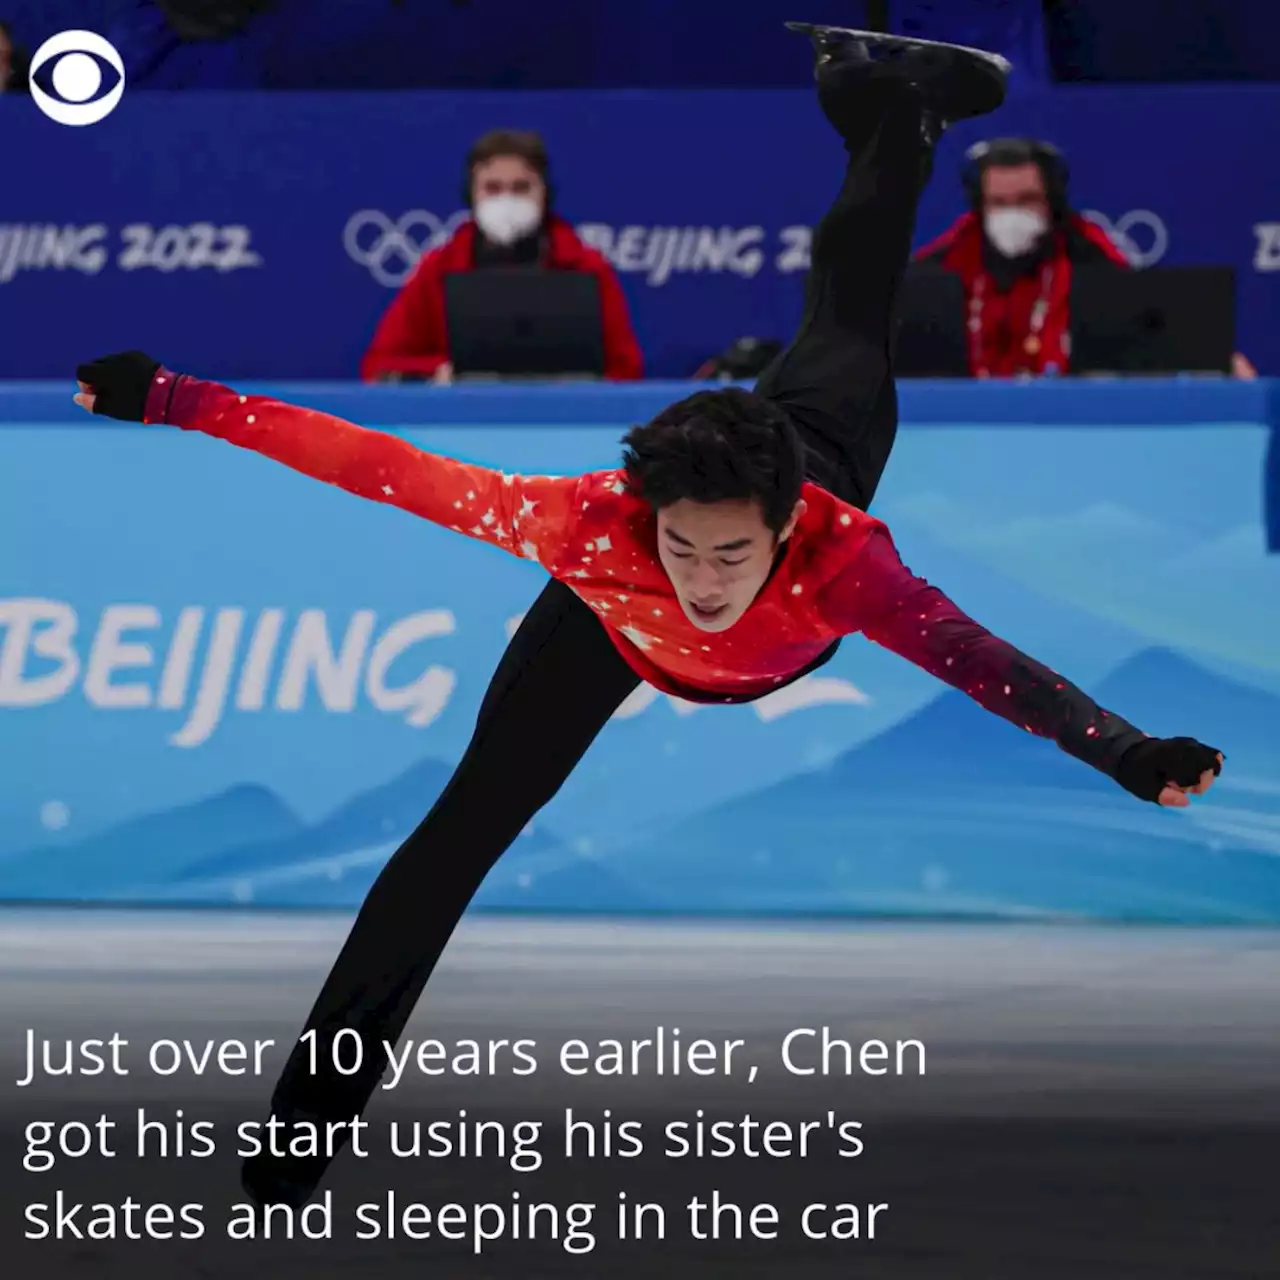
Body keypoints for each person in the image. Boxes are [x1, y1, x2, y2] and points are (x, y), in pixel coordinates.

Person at [73, 25, 1224, 1210]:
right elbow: (371, 460)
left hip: (815, 443)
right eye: (681, 545)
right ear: (645, 516)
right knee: (447, 844)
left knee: (850, 301)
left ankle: (889, 117)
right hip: (603, 627)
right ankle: (296, 1143)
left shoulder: (845, 560)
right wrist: (172, 396)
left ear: (781, 528)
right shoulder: (588, 528)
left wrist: (1126, 751)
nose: (704, 580)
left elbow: (990, 668)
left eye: (729, 552)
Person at [916, 136, 1258, 378]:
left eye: (1027, 199)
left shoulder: (1089, 252)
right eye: (999, 203)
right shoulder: (945, 261)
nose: (1012, 214)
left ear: (1052, 201)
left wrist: (1212, 357)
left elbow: (1149, 322)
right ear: (980, 205)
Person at [359, 128, 644, 384]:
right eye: (492, 188)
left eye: (521, 188)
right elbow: (379, 366)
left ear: (546, 194)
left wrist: (578, 383)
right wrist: (442, 371)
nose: (506, 199)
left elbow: (627, 370)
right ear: (470, 196)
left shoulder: (586, 266)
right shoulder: (439, 268)